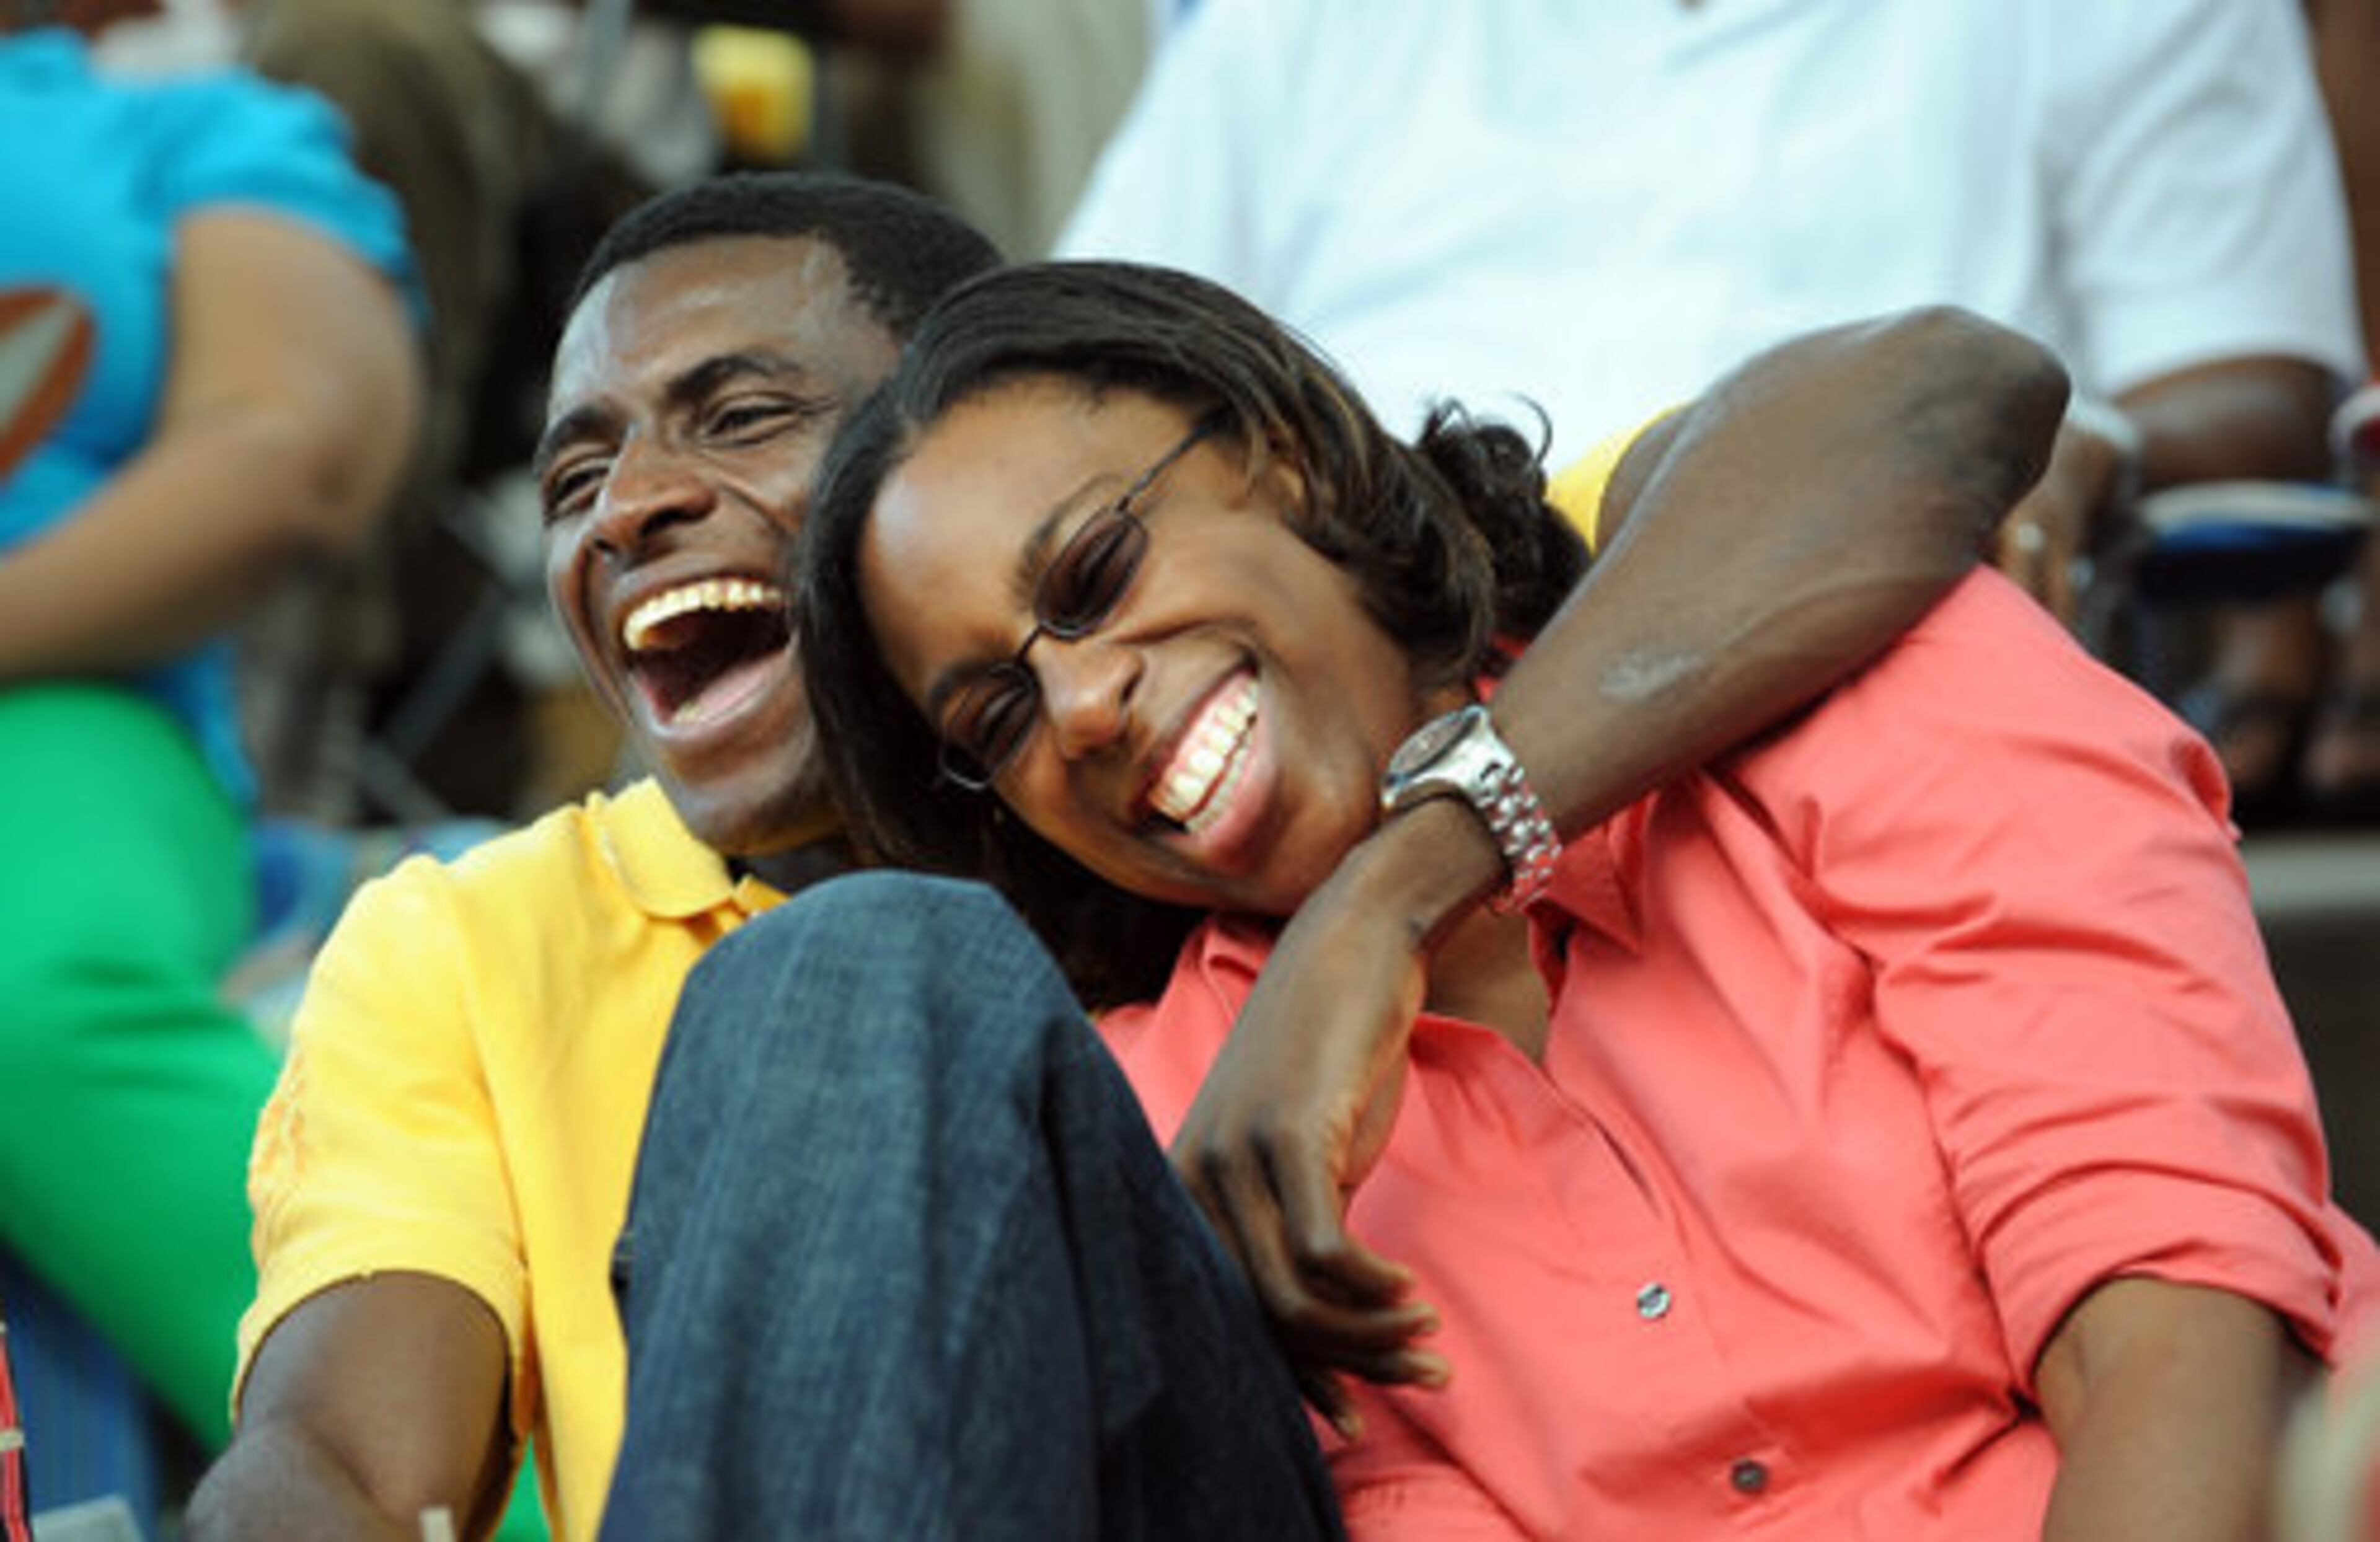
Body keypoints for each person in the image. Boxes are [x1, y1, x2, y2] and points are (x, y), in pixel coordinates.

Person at [191, 167, 2070, 1540]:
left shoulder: (1295, 634)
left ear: (981, 416)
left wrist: (1388, 888)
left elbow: (1929, 403)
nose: (635, 511)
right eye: (574, 481)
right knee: (866, 971)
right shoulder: (465, 939)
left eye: (741, 416)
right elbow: (342, 1460)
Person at [791, 259, 2380, 1538]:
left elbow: (2186, 1323)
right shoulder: (1176, 1122)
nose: (1077, 709)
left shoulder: (1842, 661)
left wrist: (1393, 893)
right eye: (997, 718)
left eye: (1091, 574)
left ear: (1274, 453)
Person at [1057, 0, 2359, 764]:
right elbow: (1071, 399)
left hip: (1877, 717)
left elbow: (2246, 382)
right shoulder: (1292, 31)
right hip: (1357, 745)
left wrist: (2078, 440)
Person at [0, 0, 419, 1463]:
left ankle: (488, 1484)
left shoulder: (188, 137)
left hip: (56, 715)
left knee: (24, 996)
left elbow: (288, 452)